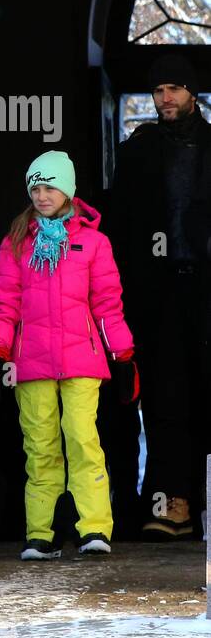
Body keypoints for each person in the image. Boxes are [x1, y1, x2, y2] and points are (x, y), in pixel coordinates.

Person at [0, 152, 137, 559]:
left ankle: (94, 529)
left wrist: (122, 354)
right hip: (32, 361)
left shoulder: (93, 242)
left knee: (83, 440)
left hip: (81, 361)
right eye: (35, 187)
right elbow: (3, 303)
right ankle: (42, 533)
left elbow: (107, 304)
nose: (42, 195)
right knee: (40, 445)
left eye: (49, 186)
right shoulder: (17, 241)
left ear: (67, 189)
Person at [110, 54, 210, 541]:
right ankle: (174, 503)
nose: (165, 97)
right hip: (160, 291)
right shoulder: (139, 150)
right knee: (166, 397)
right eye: (158, 90)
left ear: (192, 92)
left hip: (206, 288)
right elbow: (120, 226)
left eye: (174, 88)